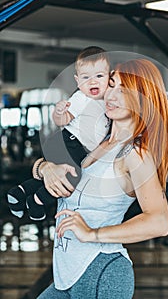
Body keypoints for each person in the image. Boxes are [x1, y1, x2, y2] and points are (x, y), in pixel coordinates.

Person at [34, 57, 168, 299]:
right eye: (111, 85)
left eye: (124, 90)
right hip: (65, 274)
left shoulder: (134, 154)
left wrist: (92, 234)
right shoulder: (96, 139)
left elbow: (160, 221)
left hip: (101, 270)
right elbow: (51, 164)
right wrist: (45, 168)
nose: (111, 95)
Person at [7, 46, 111, 221]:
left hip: (73, 144)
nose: (93, 82)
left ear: (109, 76)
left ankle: (18, 194)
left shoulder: (106, 100)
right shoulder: (81, 98)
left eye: (99, 76)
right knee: (73, 177)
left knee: (57, 175)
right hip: (69, 141)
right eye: (86, 78)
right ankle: (37, 202)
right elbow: (61, 121)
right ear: (78, 81)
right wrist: (59, 112)